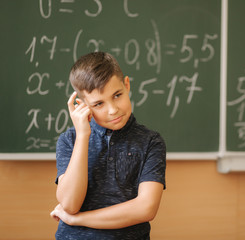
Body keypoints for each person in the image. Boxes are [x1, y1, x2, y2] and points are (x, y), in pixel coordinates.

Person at [50, 52, 166, 240]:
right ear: (82, 105)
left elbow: (146, 208)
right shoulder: (69, 140)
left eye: (117, 95)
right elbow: (70, 204)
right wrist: (82, 136)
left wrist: (77, 219)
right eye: (98, 104)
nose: (113, 109)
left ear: (127, 85)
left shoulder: (151, 142)